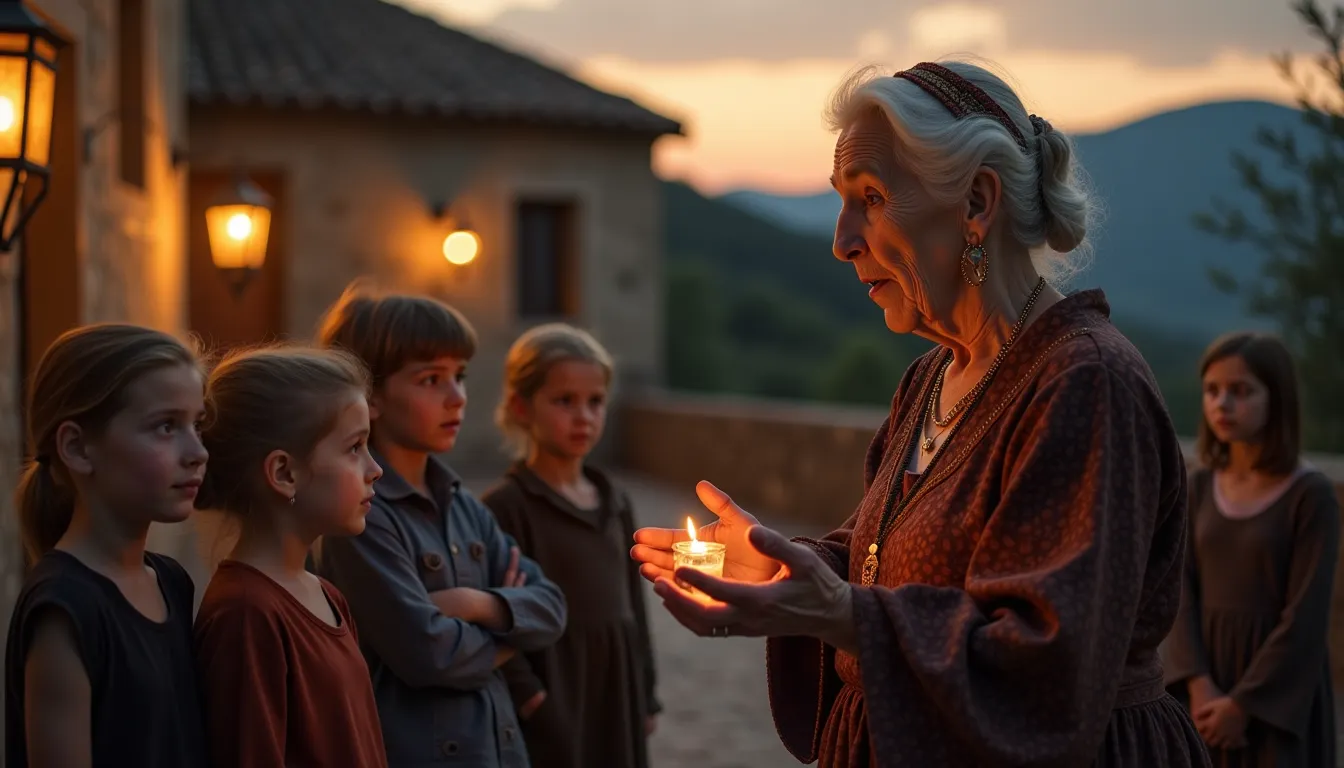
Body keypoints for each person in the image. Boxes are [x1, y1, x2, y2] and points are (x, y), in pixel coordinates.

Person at [631, 59, 1211, 767]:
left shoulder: (1086, 383)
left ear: (976, 203)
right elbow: (888, 561)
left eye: (870, 197)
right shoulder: (933, 377)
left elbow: (1050, 662)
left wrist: (841, 614)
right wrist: (788, 571)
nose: (842, 239)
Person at [311, 280, 568, 768]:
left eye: (461, 375)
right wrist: (511, 631)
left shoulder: (464, 506)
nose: (457, 397)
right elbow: (431, 655)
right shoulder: (360, 518)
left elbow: (552, 607)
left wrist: (475, 603)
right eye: (431, 379)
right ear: (370, 395)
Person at [4, 323, 210, 767]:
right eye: (166, 427)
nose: (198, 451)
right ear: (77, 447)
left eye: (198, 423)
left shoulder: (170, 582)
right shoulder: (65, 610)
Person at [192, 345, 389, 767]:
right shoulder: (246, 614)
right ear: (284, 473)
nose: (375, 469)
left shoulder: (326, 595)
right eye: (355, 448)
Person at [482, 323, 661, 768]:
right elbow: (494, 611)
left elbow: (633, 603)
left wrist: (646, 690)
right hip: (556, 683)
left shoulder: (614, 500)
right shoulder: (507, 506)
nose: (583, 416)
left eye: (595, 401)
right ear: (522, 407)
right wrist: (532, 697)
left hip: (616, 682)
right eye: (564, 401)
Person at [1162, 332, 1339, 766]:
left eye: (1241, 392)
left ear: (1276, 399)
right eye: (1213, 390)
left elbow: (1306, 616)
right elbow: (1178, 586)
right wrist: (1199, 684)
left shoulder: (1308, 495)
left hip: (1275, 694)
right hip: (1203, 682)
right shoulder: (1200, 484)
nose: (1222, 404)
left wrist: (1243, 706)